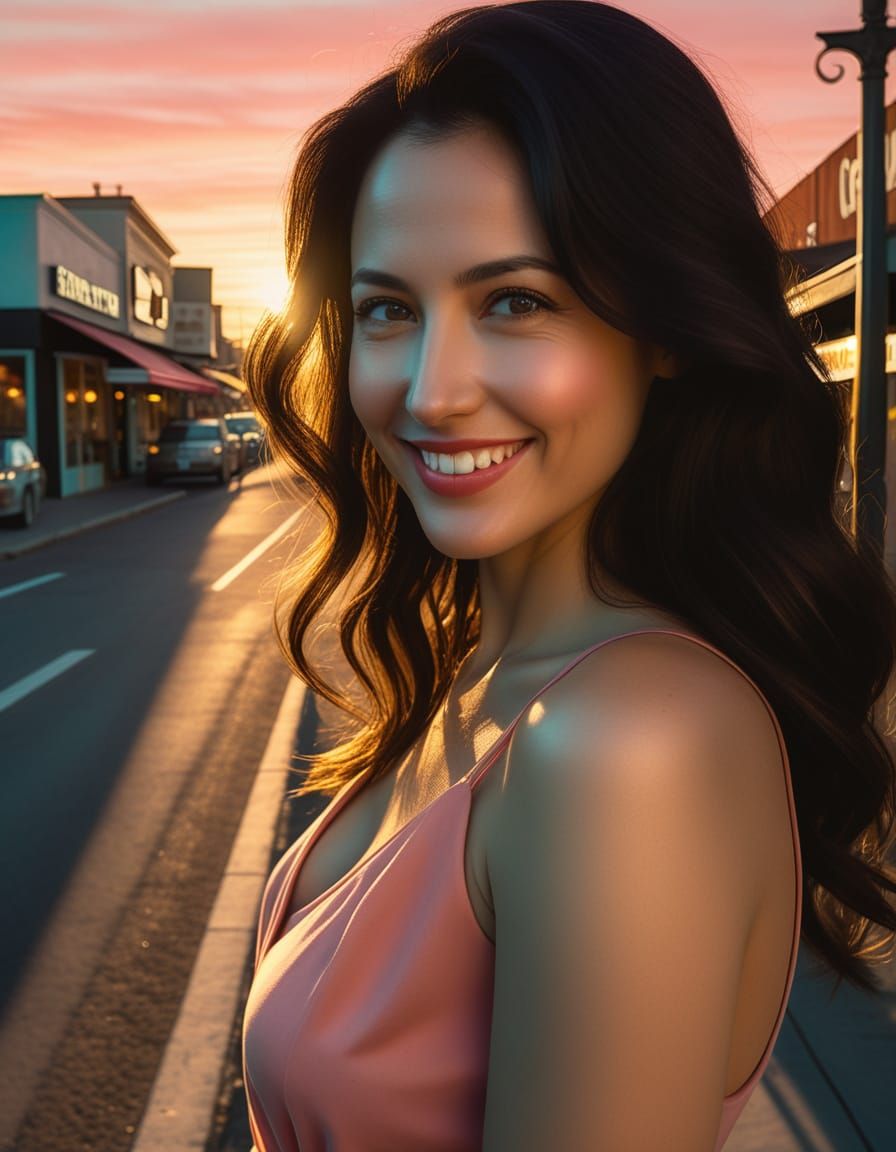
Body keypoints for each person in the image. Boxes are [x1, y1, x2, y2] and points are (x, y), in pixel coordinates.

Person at [241, 3, 896, 1149]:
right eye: (389, 309)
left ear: (665, 329)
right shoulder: (486, 680)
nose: (430, 391)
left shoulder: (625, 741)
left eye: (515, 302)